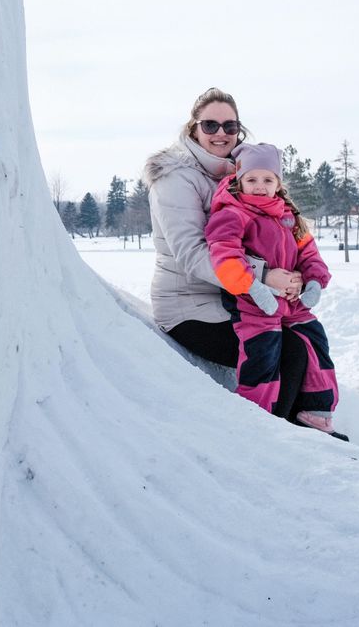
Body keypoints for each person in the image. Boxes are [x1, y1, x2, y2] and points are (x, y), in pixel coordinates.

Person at [143, 89, 308, 419]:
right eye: (210, 125)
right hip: (188, 306)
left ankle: (309, 425)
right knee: (287, 349)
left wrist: (293, 273)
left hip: (233, 296)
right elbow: (192, 254)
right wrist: (262, 276)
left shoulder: (241, 176)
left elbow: (274, 234)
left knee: (303, 336)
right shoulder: (176, 179)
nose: (221, 134)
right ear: (194, 129)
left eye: (229, 126)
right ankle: (279, 438)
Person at [205, 142, 345, 440]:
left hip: (292, 301)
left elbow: (310, 255)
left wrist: (314, 283)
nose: (259, 186)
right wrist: (254, 287)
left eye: (268, 180)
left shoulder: (289, 217)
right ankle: (256, 417)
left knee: (314, 341)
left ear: (278, 184)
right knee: (263, 351)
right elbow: (224, 255)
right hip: (251, 301)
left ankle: (316, 412)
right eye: (252, 179)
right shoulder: (232, 213)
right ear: (239, 180)